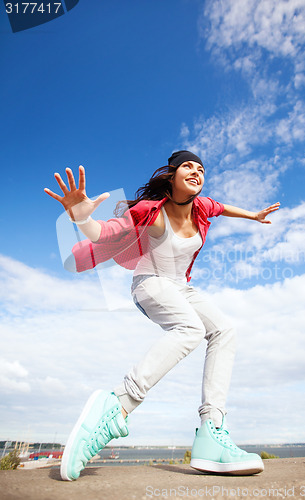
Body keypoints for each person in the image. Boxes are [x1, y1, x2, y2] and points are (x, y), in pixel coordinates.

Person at [44, 150, 280, 481]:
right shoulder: (150, 211)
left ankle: (211, 430)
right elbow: (107, 232)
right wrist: (82, 217)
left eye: (201, 169)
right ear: (171, 175)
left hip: (180, 286)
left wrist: (253, 215)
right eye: (188, 166)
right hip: (149, 283)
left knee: (225, 330)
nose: (197, 172)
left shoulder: (202, 206)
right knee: (190, 329)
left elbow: (223, 208)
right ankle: (118, 404)